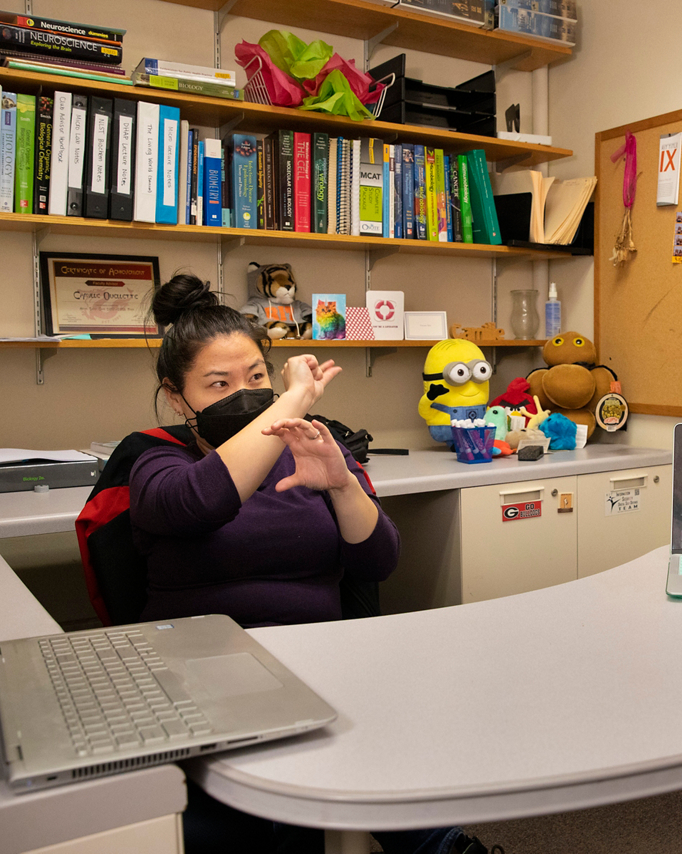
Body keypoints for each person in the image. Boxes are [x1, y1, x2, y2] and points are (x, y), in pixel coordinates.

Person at [134, 274, 497, 854]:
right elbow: (205, 501)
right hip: (203, 676)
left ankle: (440, 842)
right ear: (176, 397)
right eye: (218, 384)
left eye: (256, 377)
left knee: (371, 722)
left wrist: (342, 485)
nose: (242, 394)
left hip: (319, 660)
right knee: (285, 777)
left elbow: (379, 560)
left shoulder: (309, 446)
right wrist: (293, 398)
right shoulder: (154, 462)